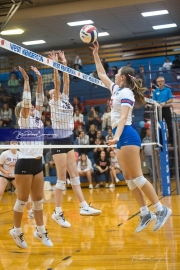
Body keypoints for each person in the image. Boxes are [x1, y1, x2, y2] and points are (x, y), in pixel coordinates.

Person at [90, 41, 172, 232]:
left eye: (117, 73)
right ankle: (145, 213)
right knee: (128, 179)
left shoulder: (126, 92)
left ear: (124, 77)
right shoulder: (116, 90)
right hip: (120, 136)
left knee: (138, 176)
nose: (114, 75)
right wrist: (96, 53)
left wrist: (116, 137)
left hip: (126, 135)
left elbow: (125, 117)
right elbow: (102, 74)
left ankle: (161, 209)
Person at [48, 50, 101, 228]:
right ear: (50, 95)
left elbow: (66, 81)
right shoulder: (54, 101)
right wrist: (55, 65)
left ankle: (83, 206)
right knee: (62, 179)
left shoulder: (63, 98)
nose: (56, 89)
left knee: (75, 175)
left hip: (68, 139)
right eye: (53, 90)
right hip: (57, 141)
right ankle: (57, 212)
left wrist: (64, 62)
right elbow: (57, 81)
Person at [10, 66, 53, 248]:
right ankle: (17, 231)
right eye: (29, 106)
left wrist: (38, 78)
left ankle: (40, 231)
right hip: (24, 163)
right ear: (23, 110)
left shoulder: (37, 118)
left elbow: (40, 97)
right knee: (22, 200)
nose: (34, 106)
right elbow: (27, 102)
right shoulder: (24, 119)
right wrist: (26, 82)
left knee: (38, 200)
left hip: (38, 163)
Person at [0, 141, 33, 218]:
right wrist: (6, 172)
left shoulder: (20, 154)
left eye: (15, 142)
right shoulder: (4, 154)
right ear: (9, 144)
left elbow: (25, 166)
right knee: (0, 192)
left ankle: (30, 212)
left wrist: (17, 164)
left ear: (18, 144)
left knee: (25, 193)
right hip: (4, 175)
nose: (14, 144)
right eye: (12, 142)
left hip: (16, 176)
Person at [152, 76, 173, 145]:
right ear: (157, 83)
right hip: (158, 109)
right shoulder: (155, 92)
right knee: (159, 125)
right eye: (159, 81)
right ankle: (160, 141)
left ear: (164, 82)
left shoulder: (168, 90)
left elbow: (171, 99)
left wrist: (165, 102)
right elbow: (153, 100)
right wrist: (157, 103)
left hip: (166, 109)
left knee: (169, 125)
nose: (160, 82)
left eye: (161, 81)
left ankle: (171, 141)